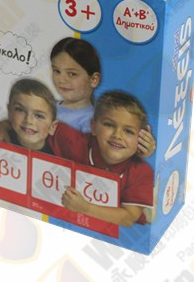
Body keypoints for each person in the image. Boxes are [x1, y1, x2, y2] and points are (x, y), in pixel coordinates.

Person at [54, 91, 154, 227]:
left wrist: (85, 208)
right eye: (109, 125)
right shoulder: (76, 143)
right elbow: (50, 127)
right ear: (93, 127)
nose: (117, 135)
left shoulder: (141, 172)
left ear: (142, 138)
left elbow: (128, 218)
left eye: (128, 131)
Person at [50, 37, 100, 133]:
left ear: (94, 80)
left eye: (72, 74)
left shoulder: (90, 122)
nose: (61, 80)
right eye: (57, 71)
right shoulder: (48, 106)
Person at [5, 78, 58, 153]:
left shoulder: (59, 155)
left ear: (52, 127)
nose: (28, 120)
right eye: (20, 110)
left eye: (39, 116)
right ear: (9, 111)